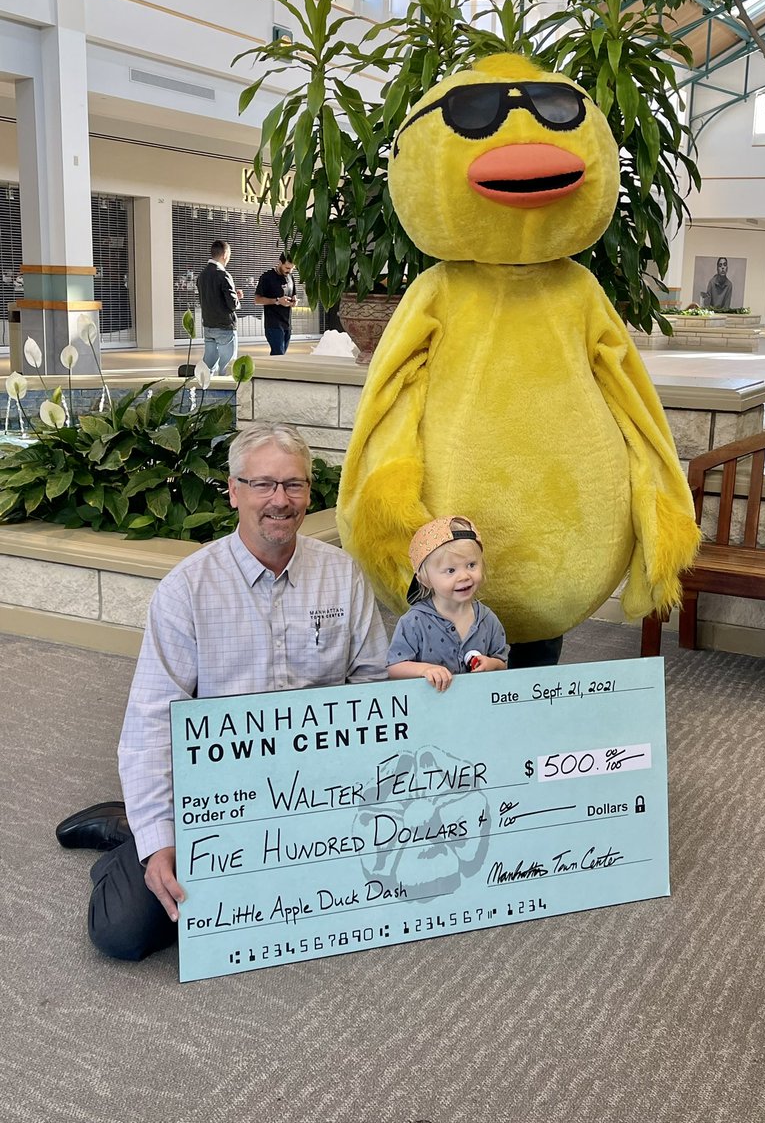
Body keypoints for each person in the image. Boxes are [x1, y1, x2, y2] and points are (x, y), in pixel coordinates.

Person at [56, 422, 389, 961]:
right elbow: (151, 721)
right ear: (233, 491)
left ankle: (131, 823)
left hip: (318, 790)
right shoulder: (186, 590)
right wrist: (161, 839)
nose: (279, 501)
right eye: (262, 484)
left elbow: (373, 688)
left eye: (294, 485)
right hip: (218, 798)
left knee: (364, 893)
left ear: (309, 492)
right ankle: (131, 833)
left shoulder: (344, 578)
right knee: (126, 933)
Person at [387, 515, 508, 692]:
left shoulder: (487, 620)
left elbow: (502, 662)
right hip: (431, 710)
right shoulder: (414, 622)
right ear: (424, 579)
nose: (464, 576)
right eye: (450, 570)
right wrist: (425, 670)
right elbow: (394, 667)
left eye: (471, 565)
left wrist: (491, 664)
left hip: (476, 707)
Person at [196, 239, 243, 372]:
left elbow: (211, 297)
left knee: (208, 366)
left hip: (208, 326)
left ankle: (204, 390)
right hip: (224, 327)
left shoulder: (202, 276)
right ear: (225, 254)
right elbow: (232, 304)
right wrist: (237, 300)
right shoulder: (223, 275)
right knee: (227, 367)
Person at [254, 253, 298, 355]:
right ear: (279, 263)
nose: (289, 271)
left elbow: (293, 295)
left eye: (292, 268)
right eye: (287, 268)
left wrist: (294, 301)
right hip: (273, 324)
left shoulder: (290, 277)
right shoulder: (266, 277)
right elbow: (257, 300)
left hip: (287, 324)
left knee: (281, 355)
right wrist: (277, 301)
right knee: (279, 354)